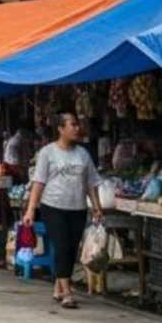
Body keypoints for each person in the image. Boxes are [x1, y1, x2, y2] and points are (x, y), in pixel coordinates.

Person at [21, 113, 103, 309]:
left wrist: (97, 207)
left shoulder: (83, 154)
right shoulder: (47, 153)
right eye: (72, 125)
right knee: (62, 245)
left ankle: (58, 286)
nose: (76, 128)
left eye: (77, 125)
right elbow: (38, 183)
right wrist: (31, 210)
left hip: (77, 207)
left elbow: (91, 182)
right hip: (53, 206)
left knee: (72, 248)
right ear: (60, 129)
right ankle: (67, 292)